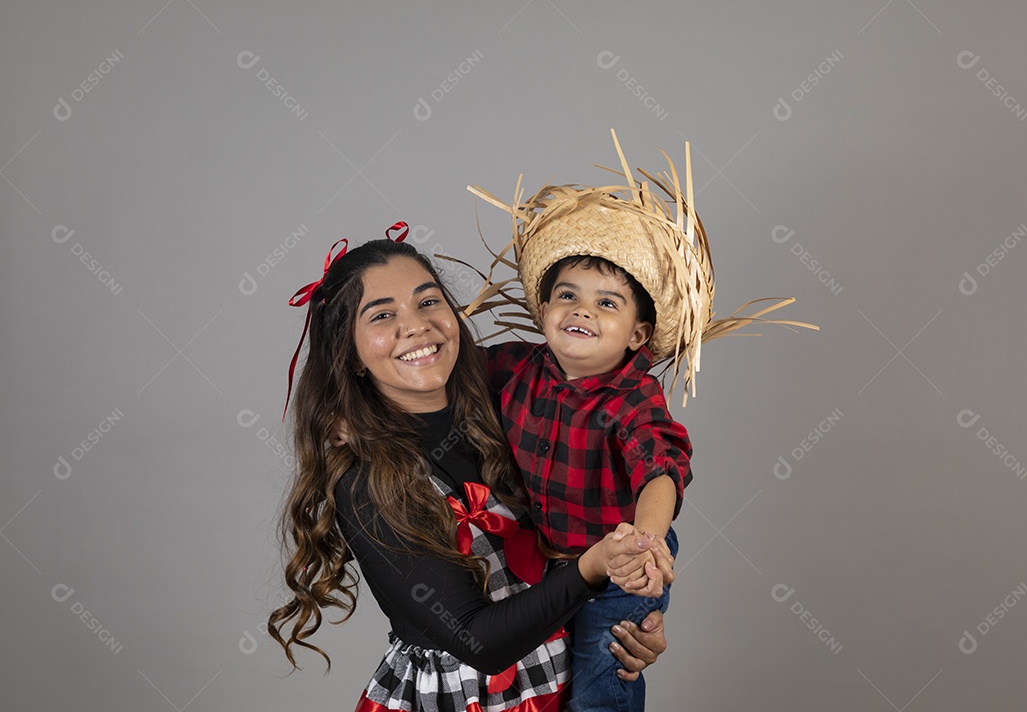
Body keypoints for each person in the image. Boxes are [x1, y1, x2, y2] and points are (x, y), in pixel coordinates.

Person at [462, 130, 818, 712]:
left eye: (607, 303)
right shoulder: (512, 367)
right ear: (544, 310)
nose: (582, 309)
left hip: (619, 559)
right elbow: (449, 375)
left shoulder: (633, 399)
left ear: (638, 335)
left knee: (602, 679)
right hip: (549, 564)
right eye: (567, 296)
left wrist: (645, 544)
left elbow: (661, 469)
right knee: (539, 681)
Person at [267, 228, 673, 712]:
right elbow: (480, 643)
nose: (416, 326)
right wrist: (598, 567)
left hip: (560, 677)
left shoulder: (513, 407)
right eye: (382, 315)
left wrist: (625, 620)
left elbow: (625, 487)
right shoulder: (368, 480)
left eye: (428, 302)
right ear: (349, 353)